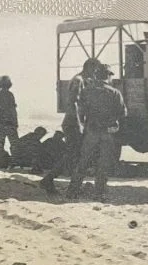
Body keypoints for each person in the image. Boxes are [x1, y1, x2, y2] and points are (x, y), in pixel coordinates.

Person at [66, 62, 127, 201]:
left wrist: (83, 124)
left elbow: (80, 110)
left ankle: (72, 191)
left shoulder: (87, 91)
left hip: (91, 131)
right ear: (108, 76)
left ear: (96, 75)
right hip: (107, 133)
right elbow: (123, 113)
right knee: (103, 163)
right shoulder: (115, 93)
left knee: (83, 161)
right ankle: (98, 193)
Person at [40, 58, 102, 194]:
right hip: (73, 123)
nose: (96, 73)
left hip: (76, 122)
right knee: (72, 154)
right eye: (95, 70)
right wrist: (80, 123)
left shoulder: (84, 80)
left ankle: (56, 181)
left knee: (74, 154)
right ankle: (49, 179)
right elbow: (73, 103)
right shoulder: (78, 80)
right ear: (90, 68)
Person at [0, 75, 18, 167]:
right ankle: (14, 162)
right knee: (14, 143)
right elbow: (12, 110)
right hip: (10, 123)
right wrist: (15, 123)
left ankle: (1, 163)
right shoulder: (10, 95)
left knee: (0, 144)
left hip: (0, 123)